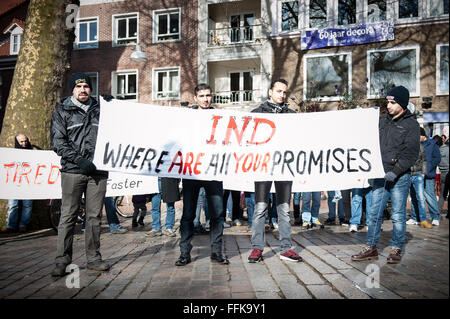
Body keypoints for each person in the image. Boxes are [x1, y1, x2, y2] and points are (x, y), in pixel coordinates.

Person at [50, 72, 110, 276]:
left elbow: (120, 129)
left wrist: (115, 107)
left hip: (98, 172)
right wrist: (79, 160)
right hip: (72, 171)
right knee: (67, 216)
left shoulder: (102, 109)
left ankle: (93, 258)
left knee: (94, 217)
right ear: (72, 90)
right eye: (78, 87)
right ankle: (62, 261)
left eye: (86, 86)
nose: (83, 90)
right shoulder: (62, 111)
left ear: (90, 89)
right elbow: (58, 142)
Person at [351, 85, 420, 264]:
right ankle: (371, 247)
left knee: (397, 215)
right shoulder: (382, 122)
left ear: (402, 104)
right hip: (380, 176)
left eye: (392, 102)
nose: (388, 105)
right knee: (374, 213)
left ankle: (396, 248)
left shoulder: (411, 124)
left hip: (399, 177)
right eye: (388, 102)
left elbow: (411, 154)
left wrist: (396, 171)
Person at [248, 79, 302, 263]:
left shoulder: (292, 115)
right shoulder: (257, 114)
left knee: (284, 210)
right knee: (260, 208)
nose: (282, 95)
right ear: (270, 91)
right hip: (263, 167)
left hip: (284, 167)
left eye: (284, 92)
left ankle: (286, 248)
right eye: (278, 91)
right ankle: (257, 248)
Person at [175, 84, 229, 266]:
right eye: (202, 96)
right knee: (189, 213)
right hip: (192, 171)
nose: (205, 99)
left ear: (211, 96)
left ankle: (216, 251)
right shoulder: (186, 117)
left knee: (217, 214)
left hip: (213, 171)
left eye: (208, 95)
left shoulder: (220, 118)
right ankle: (184, 253)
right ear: (195, 98)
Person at [4, 134, 34, 233]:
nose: (24, 143)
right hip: (14, 183)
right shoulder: (11, 154)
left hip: (28, 183)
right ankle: (11, 226)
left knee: (27, 205)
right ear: (17, 142)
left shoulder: (33, 153)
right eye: (21, 142)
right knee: (13, 204)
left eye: (25, 141)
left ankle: (23, 225)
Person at [407, 129, 433, 228]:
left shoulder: (420, 147)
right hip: (408, 174)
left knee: (420, 198)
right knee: (413, 198)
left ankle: (423, 219)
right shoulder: (405, 147)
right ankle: (414, 218)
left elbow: (425, 160)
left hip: (418, 175)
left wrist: (423, 173)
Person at [421, 128, 441, 226]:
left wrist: (428, 168)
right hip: (417, 174)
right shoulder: (416, 144)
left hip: (428, 175)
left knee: (430, 196)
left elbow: (437, 158)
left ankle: (435, 217)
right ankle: (416, 218)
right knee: (416, 197)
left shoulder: (432, 144)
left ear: (422, 135)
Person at [438, 135, 448, 214]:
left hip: (442, 173)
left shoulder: (438, 150)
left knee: (442, 195)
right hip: (448, 172)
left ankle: (437, 211)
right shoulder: (448, 149)